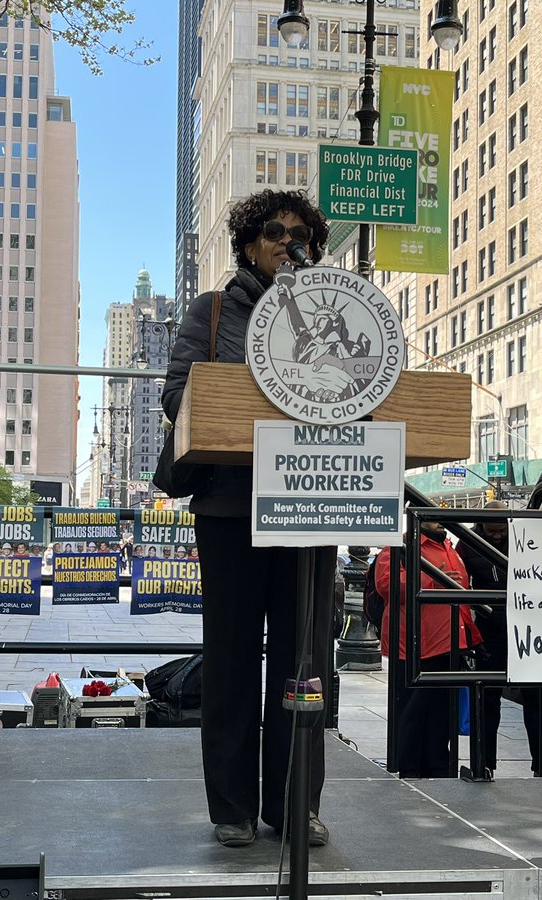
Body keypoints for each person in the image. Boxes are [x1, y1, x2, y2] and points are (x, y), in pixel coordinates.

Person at [161, 188, 335, 849]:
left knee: (304, 667)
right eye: (273, 232)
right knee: (232, 662)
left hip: (310, 509)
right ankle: (231, 808)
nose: (287, 243)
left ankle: (296, 804)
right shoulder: (210, 315)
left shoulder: (332, 312)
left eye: (301, 236)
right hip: (232, 508)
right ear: (246, 244)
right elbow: (179, 395)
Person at [375, 516, 482, 779]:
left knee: (441, 713)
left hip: (449, 643)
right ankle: (409, 769)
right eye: (432, 514)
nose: (440, 518)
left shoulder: (449, 547)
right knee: (413, 712)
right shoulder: (398, 546)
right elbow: (386, 584)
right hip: (415, 645)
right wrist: (436, 580)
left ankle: (438, 767)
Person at [458, 500, 542, 776]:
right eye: (492, 530)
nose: (497, 535)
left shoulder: (524, 538)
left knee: (537, 696)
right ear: (482, 526)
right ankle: (485, 762)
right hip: (490, 627)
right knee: (488, 698)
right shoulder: (468, 543)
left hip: (527, 625)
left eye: (501, 530)